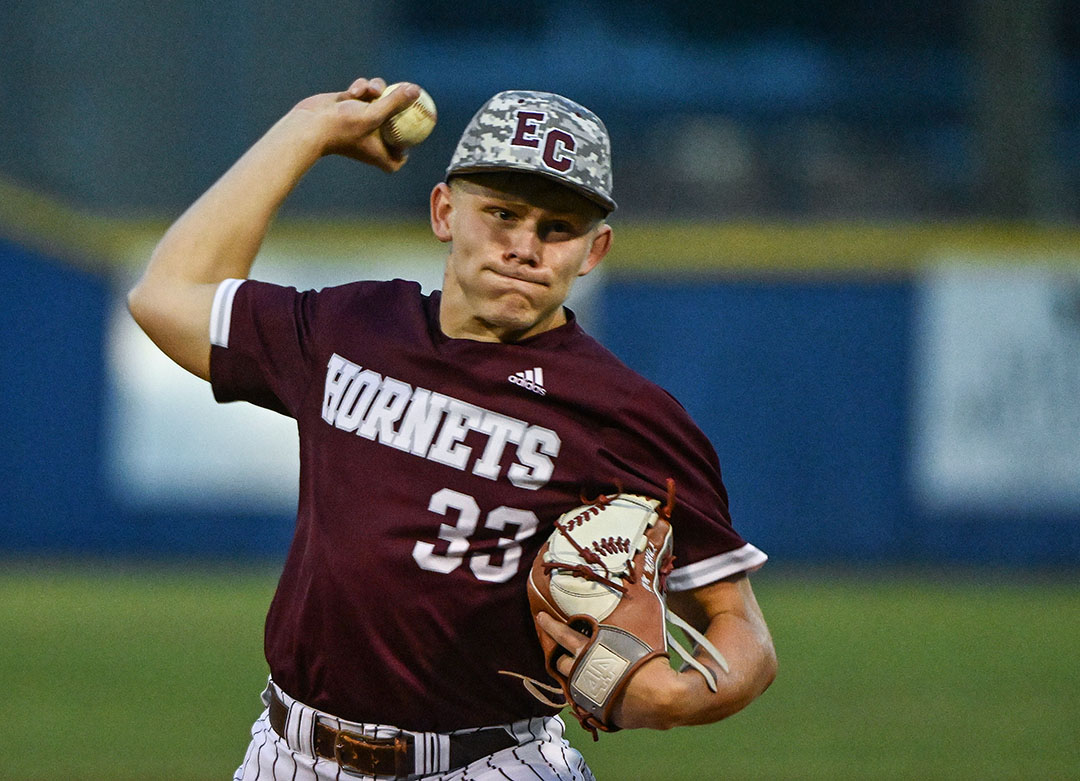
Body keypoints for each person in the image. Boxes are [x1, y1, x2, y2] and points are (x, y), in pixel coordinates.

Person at [128, 78, 777, 781]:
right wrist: (303, 132)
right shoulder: (352, 329)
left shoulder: (625, 414)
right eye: (502, 213)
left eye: (557, 228)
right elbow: (165, 296)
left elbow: (740, 627)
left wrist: (682, 696)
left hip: (490, 760)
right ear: (444, 211)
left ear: (594, 251)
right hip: (289, 752)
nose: (525, 246)